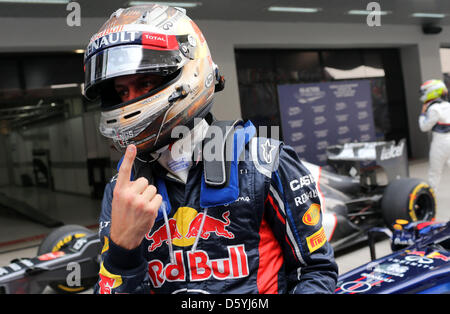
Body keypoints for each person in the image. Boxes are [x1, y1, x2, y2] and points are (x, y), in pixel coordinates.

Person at [83, 4, 338, 294]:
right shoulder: (123, 190)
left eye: (146, 82)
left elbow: (316, 269)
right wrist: (123, 253)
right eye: (122, 92)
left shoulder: (263, 161)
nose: (130, 100)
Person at [418, 79, 450, 193]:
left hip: (440, 142)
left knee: (434, 173)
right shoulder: (448, 105)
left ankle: (431, 199)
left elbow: (424, 127)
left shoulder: (433, 108)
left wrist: (422, 113)